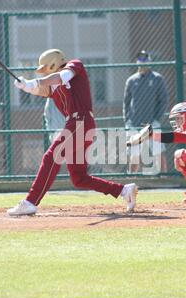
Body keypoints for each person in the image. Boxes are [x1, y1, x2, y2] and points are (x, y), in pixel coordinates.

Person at [8, 49, 138, 216]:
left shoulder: (74, 65)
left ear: (54, 63)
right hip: (77, 124)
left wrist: (36, 81)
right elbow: (43, 89)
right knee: (79, 178)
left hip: (80, 121)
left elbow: (60, 77)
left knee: (51, 156)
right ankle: (123, 190)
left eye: (46, 67)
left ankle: (30, 201)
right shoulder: (53, 85)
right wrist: (26, 86)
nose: (45, 71)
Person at [123, 50, 169, 173]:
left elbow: (163, 101)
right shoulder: (131, 80)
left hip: (152, 124)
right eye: (140, 59)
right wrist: (127, 121)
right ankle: (132, 178)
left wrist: (156, 120)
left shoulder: (157, 79)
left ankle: (164, 178)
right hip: (134, 123)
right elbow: (126, 103)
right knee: (134, 154)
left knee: (158, 151)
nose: (142, 62)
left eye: (145, 59)